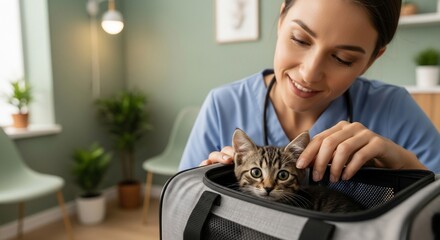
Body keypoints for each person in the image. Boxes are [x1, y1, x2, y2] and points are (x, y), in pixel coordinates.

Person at [179, 0, 440, 182]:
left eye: (343, 58)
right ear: (281, 19)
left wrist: (408, 169)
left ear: (372, 59)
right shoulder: (223, 105)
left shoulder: (393, 108)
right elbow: (178, 215)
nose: (309, 74)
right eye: (300, 39)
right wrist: (202, 185)